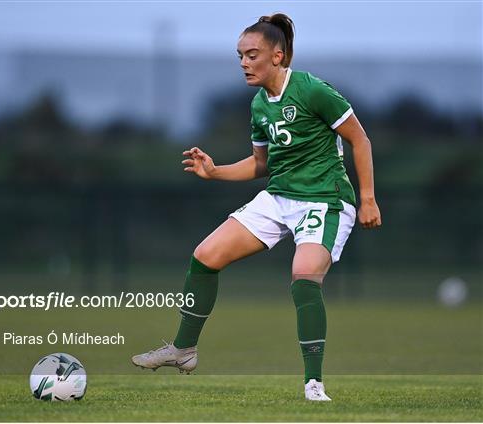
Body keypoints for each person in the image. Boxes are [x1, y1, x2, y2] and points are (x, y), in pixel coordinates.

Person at [131, 13, 381, 401]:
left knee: (304, 274)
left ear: (278, 56)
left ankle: (313, 383)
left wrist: (367, 199)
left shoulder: (312, 90)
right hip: (279, 197)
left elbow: (359, 139)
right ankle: (183, 350)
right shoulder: (260, 105)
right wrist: (214, 172)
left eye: (252, 55)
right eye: (240, 56)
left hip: (325, 199)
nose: (244, 63)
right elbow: (261, 165)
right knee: (205, 256)